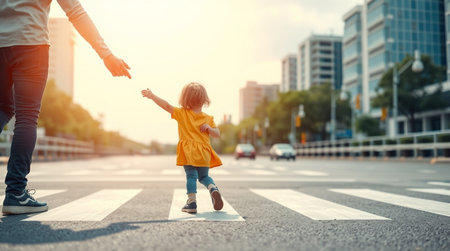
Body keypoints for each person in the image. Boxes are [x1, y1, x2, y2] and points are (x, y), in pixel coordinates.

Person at [0, 0, 131, 215]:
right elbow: (75, 11)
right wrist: (105, 54)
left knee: (3, 107)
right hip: (30, 44)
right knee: (26, 117)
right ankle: (15, 192)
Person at [141, 83, 223, 214]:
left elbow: (166, 105)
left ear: (185, 99)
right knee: (204, 177)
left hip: (189, 152)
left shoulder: (182, 113)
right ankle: (213, 188)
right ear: (204, 100)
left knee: (191, 176)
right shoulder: (208, 118)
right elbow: (217, 134)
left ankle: (192, 203)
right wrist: (209, 128)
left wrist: (152, 96)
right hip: (204, 152)